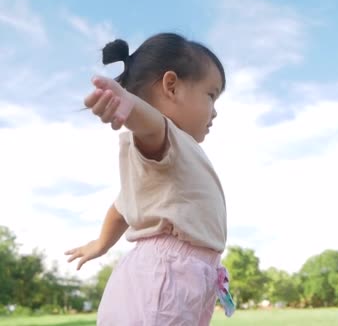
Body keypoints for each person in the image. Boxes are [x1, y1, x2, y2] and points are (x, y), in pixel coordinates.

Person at [64, 33, 234, 325]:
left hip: (179, 277)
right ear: (172, 86)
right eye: (210, 95)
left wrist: (101, 243)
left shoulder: (179, 154)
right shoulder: (164, 136)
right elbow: (152, 124)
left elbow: (122, 207)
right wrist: (127, 103)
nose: (215, 110)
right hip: (165, 277)